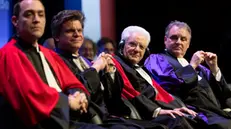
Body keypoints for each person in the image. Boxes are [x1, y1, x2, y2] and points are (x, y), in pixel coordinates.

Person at [0, 0, 109, 129]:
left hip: (66, 118)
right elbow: (29, 94)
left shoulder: (48, 54)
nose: (36, 20)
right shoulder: (9, 53)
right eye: (29, 14)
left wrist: (78, 94)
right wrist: (67, 102)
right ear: (15, 21)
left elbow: (72, 82)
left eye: (41, 14)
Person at [50, 10, 167, 129]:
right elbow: (79, 91)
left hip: (106, 116)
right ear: (57, 36)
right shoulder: (55, 61)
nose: (77, 34)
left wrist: (110, 73)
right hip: (85, 119)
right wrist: (96, 68)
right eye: (70, 31)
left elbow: (112, 98)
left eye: (79, 30)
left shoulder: (85, 61)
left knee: (160, 127)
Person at [111, 25, 208, 129]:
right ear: (122, 45)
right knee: (178, 120)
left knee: (194, 118)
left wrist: (179, 107)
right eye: (132, 44)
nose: (137, 50)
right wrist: (158, 110)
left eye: (141, 47)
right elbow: (173, 85)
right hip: (142, 113)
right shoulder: (117, 63)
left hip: (160, 107)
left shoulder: (140, 69)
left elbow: (161, 92)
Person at [145, 20, 231, 128]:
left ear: (188, 44)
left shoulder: (199, 67)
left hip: (215, 112)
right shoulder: (156, 59)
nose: (179, 42)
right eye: (174, 37)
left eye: (183, 39)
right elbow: (172, 85)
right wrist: (192, 67)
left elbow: (224, 93)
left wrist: (214, 68)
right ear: (165, 40)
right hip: (193, 113)